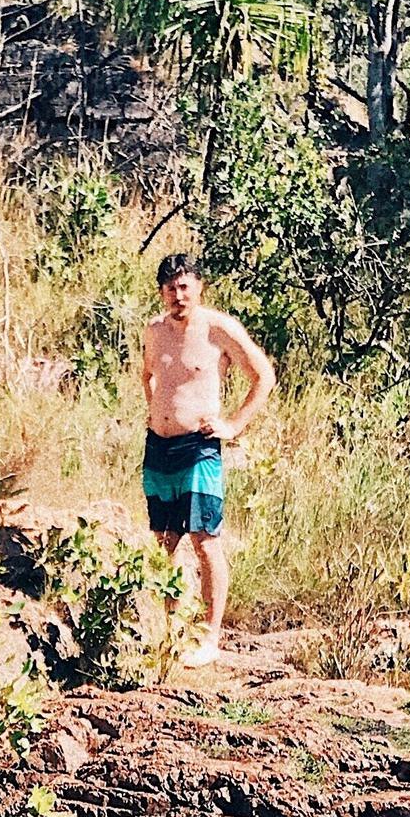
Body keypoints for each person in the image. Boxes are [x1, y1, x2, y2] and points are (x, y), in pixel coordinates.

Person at [140, 253, 276, 667]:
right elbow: (147, 375)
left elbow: (263, 376)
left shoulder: (218, 328)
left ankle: (209, 638)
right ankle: (167, 634)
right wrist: (155, 411)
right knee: (162, 542)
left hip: (199, 448)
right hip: (158, 447)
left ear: (198, 287)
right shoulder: (154, 330)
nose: (177, 295)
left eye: (185, 286)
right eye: (170, 288)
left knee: (204, 541)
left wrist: (233, 426)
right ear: (162, 292)